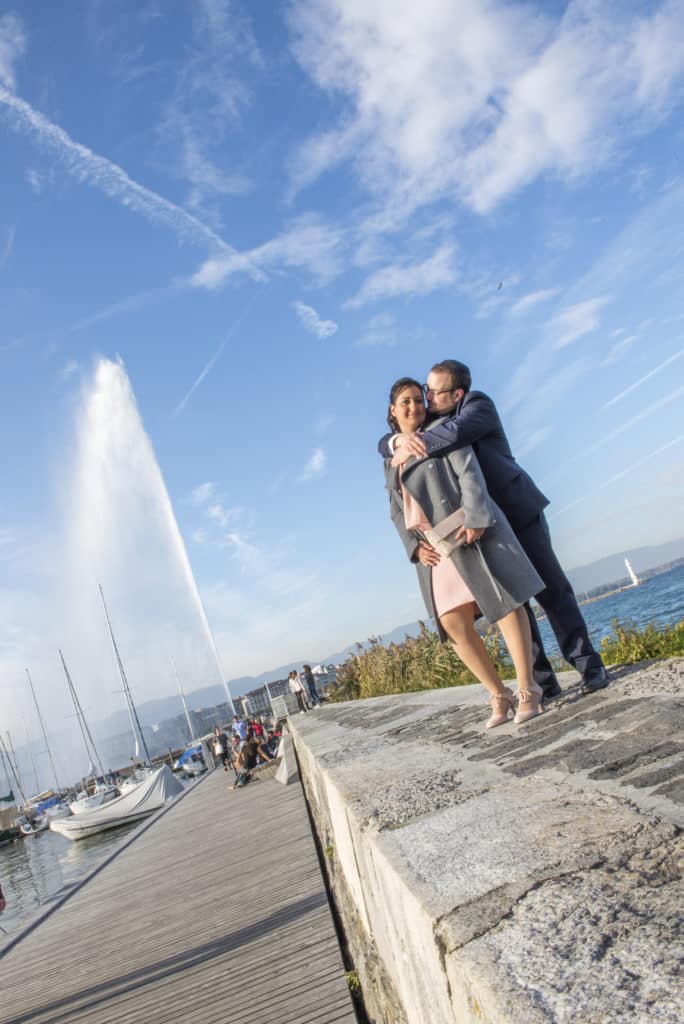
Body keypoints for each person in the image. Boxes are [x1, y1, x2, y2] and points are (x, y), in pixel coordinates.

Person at [380, 360, 608, 697]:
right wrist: (395, 441)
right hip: (489, 528)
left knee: (552, 590)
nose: (425, 399)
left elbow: (454, 435)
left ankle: (589, 666)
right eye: (423, 392)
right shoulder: (429, 422)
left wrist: (407, 443)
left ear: (457, 393)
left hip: (516, 511)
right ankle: (543, 682)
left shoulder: (477, 406)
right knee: (513, 602)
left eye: (432, 392)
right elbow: (388, 440)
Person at [384, 377, 546, 726]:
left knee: (504, 602)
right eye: (406, 402)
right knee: (452, 622)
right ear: (393, 411)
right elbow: (396, 510)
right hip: (433, 547)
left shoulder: (442, 430)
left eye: (418, 399)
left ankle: (527, 688)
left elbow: (469, 473)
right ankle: (497, 693)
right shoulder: (390, 457)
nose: (414, 407)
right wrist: (414, 548)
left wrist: (476, 518)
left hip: (468, 530)